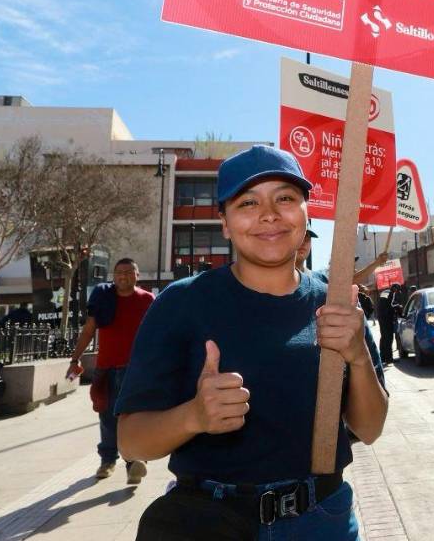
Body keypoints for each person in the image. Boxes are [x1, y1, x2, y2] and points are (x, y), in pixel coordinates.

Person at [115, 145, 388, 539]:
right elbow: (131, 440)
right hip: (211, 522)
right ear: (224, 222)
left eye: (285, 198)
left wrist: (358, 356)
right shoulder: (181, 303)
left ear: (306, 212)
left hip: (322, 520)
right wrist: (194, 416)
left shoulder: (337, 302)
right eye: (248, 202)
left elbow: (371, 428)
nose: (269, 214)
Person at [66, 258, 154, 484]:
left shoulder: (148, 300)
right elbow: (88, 331)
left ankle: (135, 461)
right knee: (106, 416)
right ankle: (108, 460)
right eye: (118, 272)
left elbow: (159, 333)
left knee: (133, 415)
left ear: (137, 275)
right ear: (113, 276)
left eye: (128, 272)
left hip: (135, 369)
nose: (123, 276)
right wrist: (75, 358)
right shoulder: (104, 298)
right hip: (105, 367)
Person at [296, 229, 385, 389]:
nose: (303, 243)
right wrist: (376, 263)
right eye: (300, 236)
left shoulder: (322, 281)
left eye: (308, 238)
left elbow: (365, 350)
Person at [376, 284, 403, 365]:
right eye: (397, 290)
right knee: (388, 338)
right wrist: (398, 307)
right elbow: (388, 306)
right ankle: (388, 358)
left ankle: (383, 357)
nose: (397, 292)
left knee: (384, 337)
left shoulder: (385, 292)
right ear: (394, 288)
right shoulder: (390, 293)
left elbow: (385, 305)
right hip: (386, 319)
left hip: (382, 318)